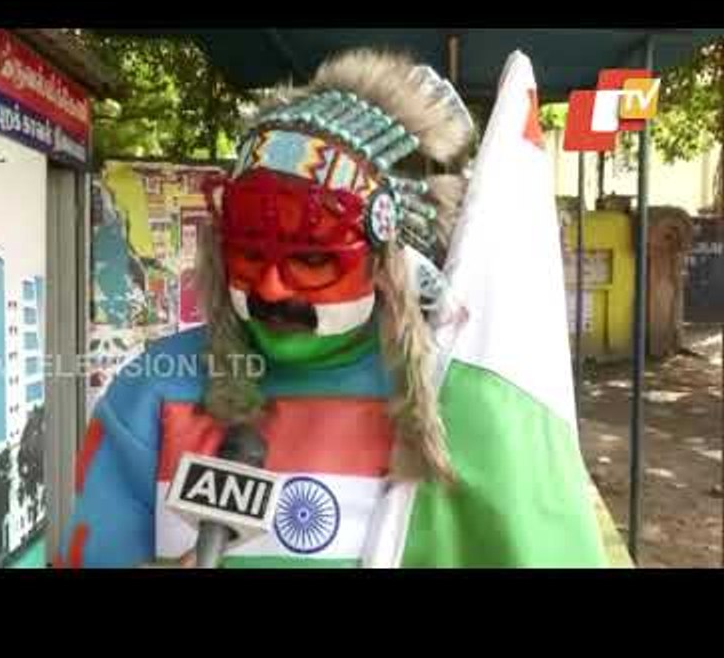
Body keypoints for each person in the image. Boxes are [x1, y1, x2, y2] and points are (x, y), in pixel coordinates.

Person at [54, 48, 607, 568]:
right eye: (248, 254)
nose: (270, 288)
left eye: (312, 259)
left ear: (389, 260)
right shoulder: (156, 390)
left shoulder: (463, 394)